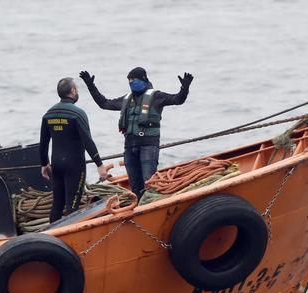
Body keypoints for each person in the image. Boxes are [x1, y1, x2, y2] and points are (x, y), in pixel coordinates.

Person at [79, 67, 193, 199]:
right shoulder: (126, 99)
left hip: (148, 146)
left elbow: (177, 99)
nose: (131, 82)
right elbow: (104, 103)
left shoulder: (156, 96)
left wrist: (184, 88)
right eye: (129, 80)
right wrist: (90, 85)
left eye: (134, 79)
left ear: (144, 79)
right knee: (135, 187)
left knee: (149, 184)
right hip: (129, 148)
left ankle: (151, 206)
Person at [39, 77, 109, 223]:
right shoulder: (77, 113)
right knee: (72, 207)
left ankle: (53, 238)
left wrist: (44, 164)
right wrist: (99, 164)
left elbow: (43, 143)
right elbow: (87, 141)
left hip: (56, 165)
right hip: (74, 166)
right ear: (73, 91)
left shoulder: (48, 114)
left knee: (57, 204)